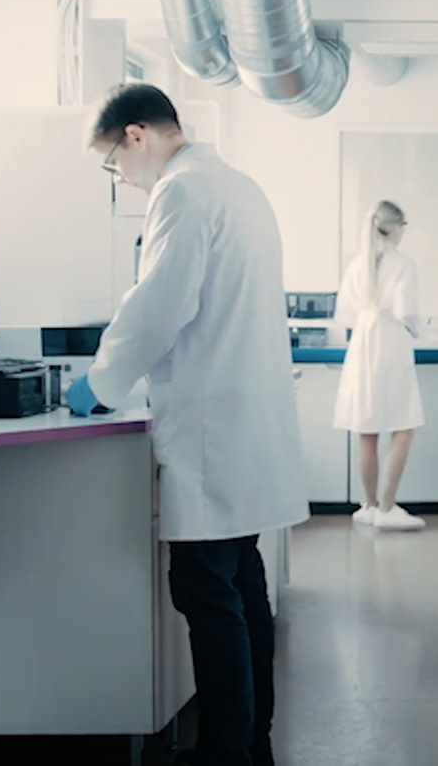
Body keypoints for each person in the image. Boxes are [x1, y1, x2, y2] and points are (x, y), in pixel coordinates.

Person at [65, 83, 308, 766]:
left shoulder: (182, 191)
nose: (122, 178)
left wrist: (98, 385)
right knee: (239, 581)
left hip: (214, 427)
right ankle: (250, 739)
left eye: (113, 164)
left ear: (136, 135)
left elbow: (158, 307)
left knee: (207, 591)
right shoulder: (234, 184)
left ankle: (226, 749)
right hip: (241, 419)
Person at [333, 200, 427, 531]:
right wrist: (420, 330)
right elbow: (407, 312)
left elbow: (343, 314)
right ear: (396, 228)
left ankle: (370, 505)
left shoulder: (357, 264)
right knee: (404, 424)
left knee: (367, 428)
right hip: (391, 344)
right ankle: (388, 507)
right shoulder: (403, 264)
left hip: (362, 342)